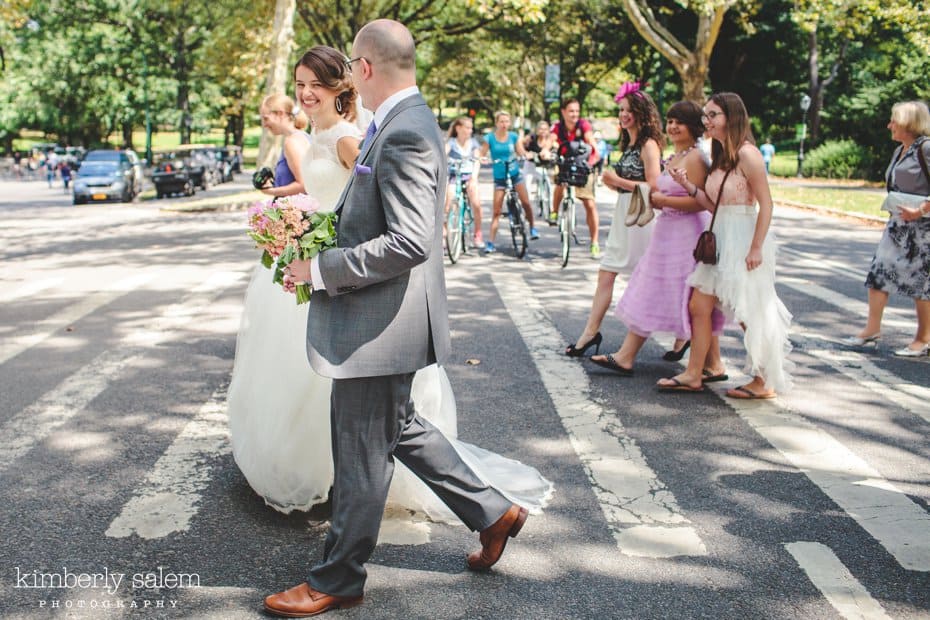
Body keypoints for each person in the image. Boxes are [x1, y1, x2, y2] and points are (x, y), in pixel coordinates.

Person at [266, 23, 549, 617]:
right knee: (398, 430)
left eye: (351, 67)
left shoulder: (406, 131)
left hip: (380, 322)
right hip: (383, 316)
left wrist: (320, 267)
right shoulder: (399, 122)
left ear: (365, 68)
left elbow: (409, 240)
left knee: (362, 449)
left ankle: (337, 579)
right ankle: (494, 511)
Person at [657, 92, 793, 397]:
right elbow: (711, 204)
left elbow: (766, 205)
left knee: (749, 310)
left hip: (743, 238)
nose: (706, 121)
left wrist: (756, 247)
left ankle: (763, 379)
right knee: (698, 305)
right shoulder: (719, 155)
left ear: (730, 118)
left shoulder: (749, 154)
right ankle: (694, 373)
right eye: (705, 115)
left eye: (712, 115)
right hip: (719, 236)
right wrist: (687, 185)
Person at [589, 101, 726, 378]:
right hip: (666, 232)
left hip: (685, 235)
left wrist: (662, 199)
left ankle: (629, 356)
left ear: (694, 127)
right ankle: (711, 363)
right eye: (671, 121)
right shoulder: (677, 156)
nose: (673, 127)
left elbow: (702, 202)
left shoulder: (697, 159)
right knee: (667, 293)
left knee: (684, 297)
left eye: (680, 122)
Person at [565, 84, 661, 357]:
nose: (623, 115)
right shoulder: (628, 143)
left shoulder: (648, 144)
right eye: (621, 110)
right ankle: (590, 333)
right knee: (607, 273)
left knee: (650, 278)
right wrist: (615, 185)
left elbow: (654, 187)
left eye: (629, 110)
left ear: (642, 113)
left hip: (641, 220)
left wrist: (618, 180)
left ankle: (683, 337)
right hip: (625, 214)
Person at [843, 100, 930, 357]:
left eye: (894, 121)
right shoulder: (900, 150)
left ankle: (923, 338)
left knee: (921, 282)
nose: (889, 125)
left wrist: (921, 210)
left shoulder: (925, 148)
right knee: (879, 272)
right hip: (897, 224)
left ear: (909, 124)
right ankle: (872, 330)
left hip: (923, 227)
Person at [479, 111, 538, 253]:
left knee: (526, 203)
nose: (504, 124)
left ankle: (532, 227)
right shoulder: (490, 138)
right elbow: (482, 153)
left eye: (507, 121)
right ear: (496, 123)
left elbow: (520, 151)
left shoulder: (513, 137)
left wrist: (526, 155)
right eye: (501, 122)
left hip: (514, 174)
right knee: (497, 211)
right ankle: (491, 242)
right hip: (500, 176)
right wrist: (482, 158)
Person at [550, 98, 601, 257]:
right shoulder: (558, 127)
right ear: (563, 112)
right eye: (571, 111)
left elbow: (592, 144)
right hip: (565, 163)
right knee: (559, 183)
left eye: (577, 111)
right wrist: (546, 150)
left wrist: (592, 159)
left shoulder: (583, 125)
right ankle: (554, 212)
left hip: (583, 164)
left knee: (589, 204)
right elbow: (550, 142)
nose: (574, 114)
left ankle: (594, 242)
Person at [255, 93, 311, 197]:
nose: (264, 124)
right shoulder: (303, 137)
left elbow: (304, 185)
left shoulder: (292, 142)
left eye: (266, 118)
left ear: (280, 114)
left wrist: (270, 191)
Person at [445, 116, 484, 248]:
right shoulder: (451, 142)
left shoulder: (473, 143)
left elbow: (477, 160)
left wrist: (474, 177)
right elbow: (443, 154)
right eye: (467, 127)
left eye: (471, 128)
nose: (470, 130)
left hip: (469, 175)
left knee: (476, 204)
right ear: (458, 128)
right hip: (454, 175)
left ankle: (478, 234)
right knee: (448, 203)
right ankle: (445, 234)